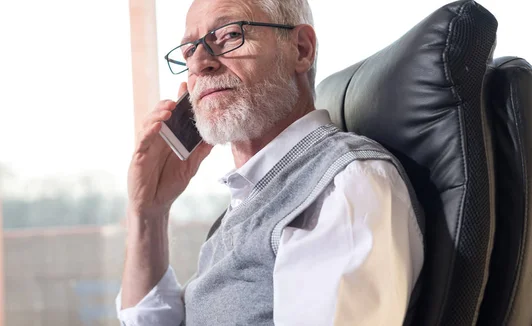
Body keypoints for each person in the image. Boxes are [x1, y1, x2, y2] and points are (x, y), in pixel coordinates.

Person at [116, 0, 424, 325]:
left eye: (229, 35)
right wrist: (148, 211)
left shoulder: (344, 186)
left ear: (301, 49)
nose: (200, 63)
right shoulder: (244, 203)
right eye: (189, 51)